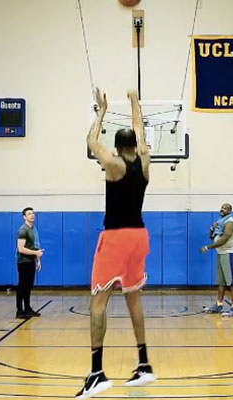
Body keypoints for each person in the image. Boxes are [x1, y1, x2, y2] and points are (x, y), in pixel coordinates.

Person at [76, 88, 155, 399]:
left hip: (116, 237)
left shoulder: (114, 164)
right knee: (133, 299)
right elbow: (140, 129)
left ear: (118, 147)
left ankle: (96, 373)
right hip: (139, 236)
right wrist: (135, 100)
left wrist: (102, 112)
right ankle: (144, 363)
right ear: (135, 145)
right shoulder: (145, 163)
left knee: (98, 302)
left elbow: (91, 142)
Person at [200, 203, 233, 317]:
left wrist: (208, 247)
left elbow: (223, 240)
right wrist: (211, 228)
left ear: (230, 211)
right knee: (221, 281)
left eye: (225, 208)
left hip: (230, 253)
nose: (222, 209)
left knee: (232, 282)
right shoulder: (220, 221)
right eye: (222, 207)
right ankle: (219, 305)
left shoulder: (230, 222)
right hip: (221, 253)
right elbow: (212, 237)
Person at [15, 207, 44, 319]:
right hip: (23, 262)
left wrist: (38, 260)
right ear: (24, 217)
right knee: (22, 286)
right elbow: (21, 249)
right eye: (29, 214)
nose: (32, 215)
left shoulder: (33, 229)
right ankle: (19, 310)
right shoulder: (23, 230)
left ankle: (27, 309)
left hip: (31, 261)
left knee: (28, 286)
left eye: (33, 213)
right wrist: (35, 253)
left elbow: (35, 247)